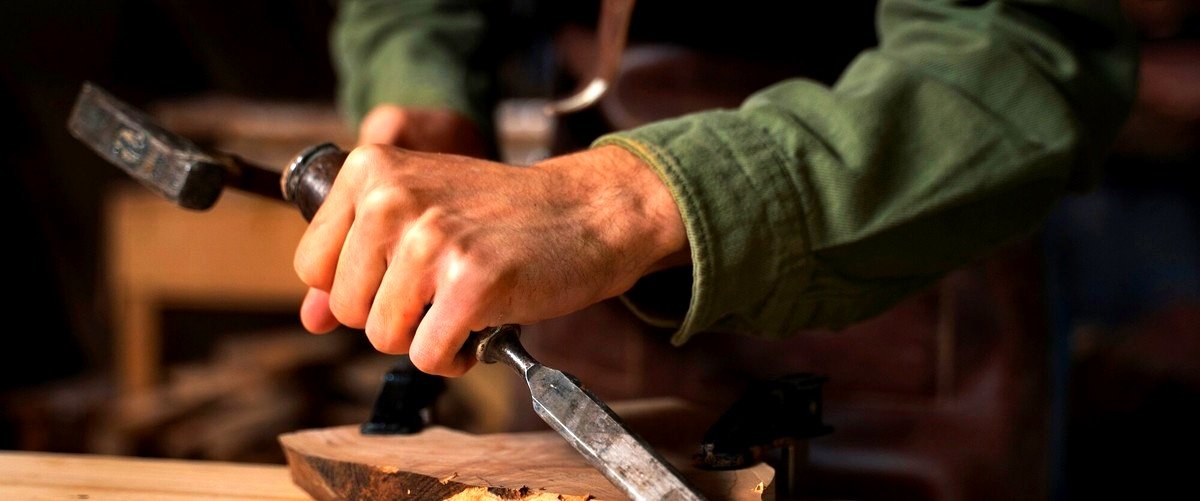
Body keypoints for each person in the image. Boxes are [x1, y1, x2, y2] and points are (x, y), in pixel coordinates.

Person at [293, 0, 1138, 377]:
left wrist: (615, 203)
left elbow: (1023, 52)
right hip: (576, 296)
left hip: (911, 274)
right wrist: (424, 92)